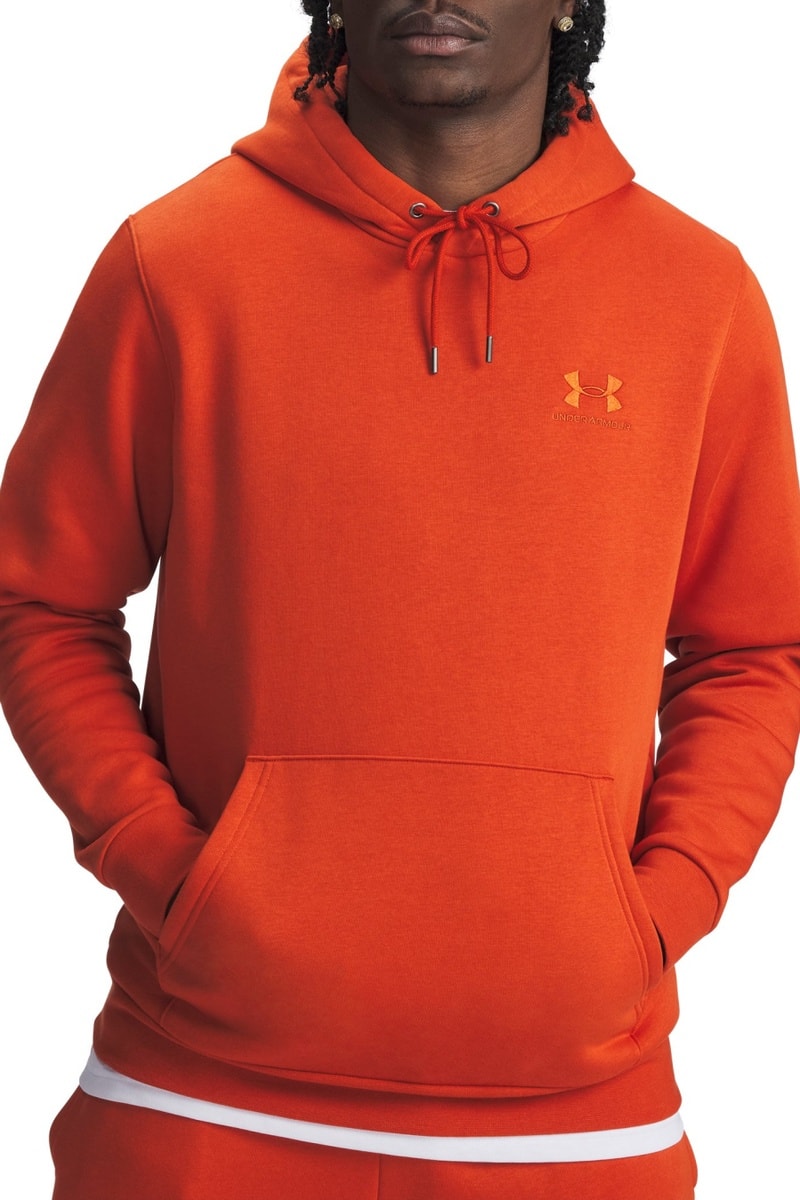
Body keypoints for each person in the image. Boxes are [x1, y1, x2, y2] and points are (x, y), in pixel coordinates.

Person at [1, 1, 799, 1197]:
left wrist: (657, 910)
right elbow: (42, 602)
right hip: (196, 1098)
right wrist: (165, 871)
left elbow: (751, 648)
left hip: (572, 1123)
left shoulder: (696, 291)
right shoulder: (178, 260)